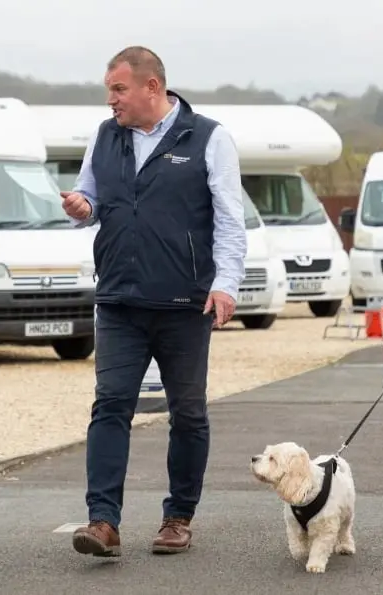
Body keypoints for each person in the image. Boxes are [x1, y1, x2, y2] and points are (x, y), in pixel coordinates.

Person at [61, 46, 247, 557]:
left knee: (187, 413)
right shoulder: (106, 136)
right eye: (108, 91)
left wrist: (226, 283)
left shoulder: (209, 138)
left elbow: (231, 218)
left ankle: (177, 517)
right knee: (110, 406)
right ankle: (102, 522)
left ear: (152, 87)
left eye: (118, 90)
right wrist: (82, 207)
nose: (111, 101)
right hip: (120, 297)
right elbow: (90, 199)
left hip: (185, 302)